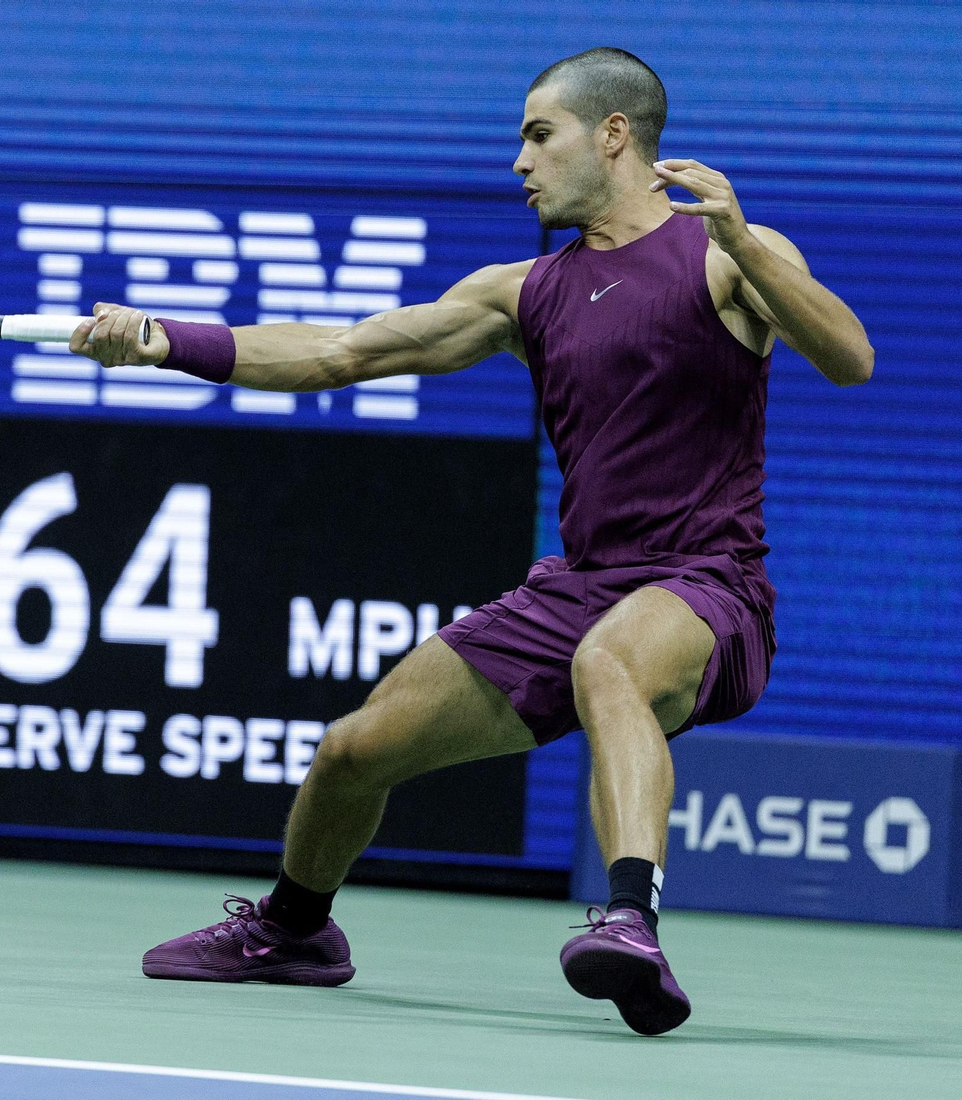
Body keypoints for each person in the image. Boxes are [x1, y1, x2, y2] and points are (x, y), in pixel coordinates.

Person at [70, 47, 873, 1035]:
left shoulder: (723, 255)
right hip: (575, 587)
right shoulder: (522, 292)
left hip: (707, 586)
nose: (517, 162)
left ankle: (629, 918)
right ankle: (293, 928)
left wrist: (748, 245)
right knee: (351, 751)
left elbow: (849, 356)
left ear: (612, 135)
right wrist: (164, 339)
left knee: (611, 659)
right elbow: (343, 348)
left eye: (539, 134)